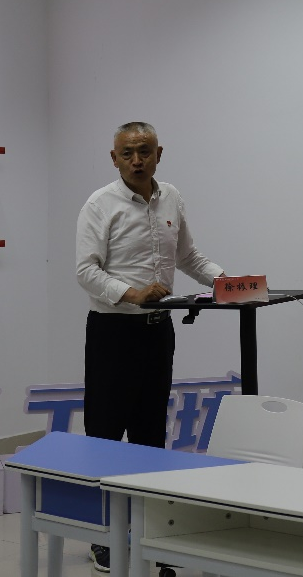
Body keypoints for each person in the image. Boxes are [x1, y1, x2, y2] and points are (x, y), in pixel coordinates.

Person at [75, 122, 224, 572]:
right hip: (113, 332)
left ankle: (147, 531)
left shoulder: (171, 197)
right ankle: (101, 535)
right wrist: (132, 293)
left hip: (158, 331)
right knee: (105, 436)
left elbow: (188, 257)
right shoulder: (100, 204)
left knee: (150, 434)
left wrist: (230, 283)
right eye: (127, 153)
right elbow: (86, 270)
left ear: (159, 153)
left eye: (144, 151)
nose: (136, 160)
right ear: (114, 158)